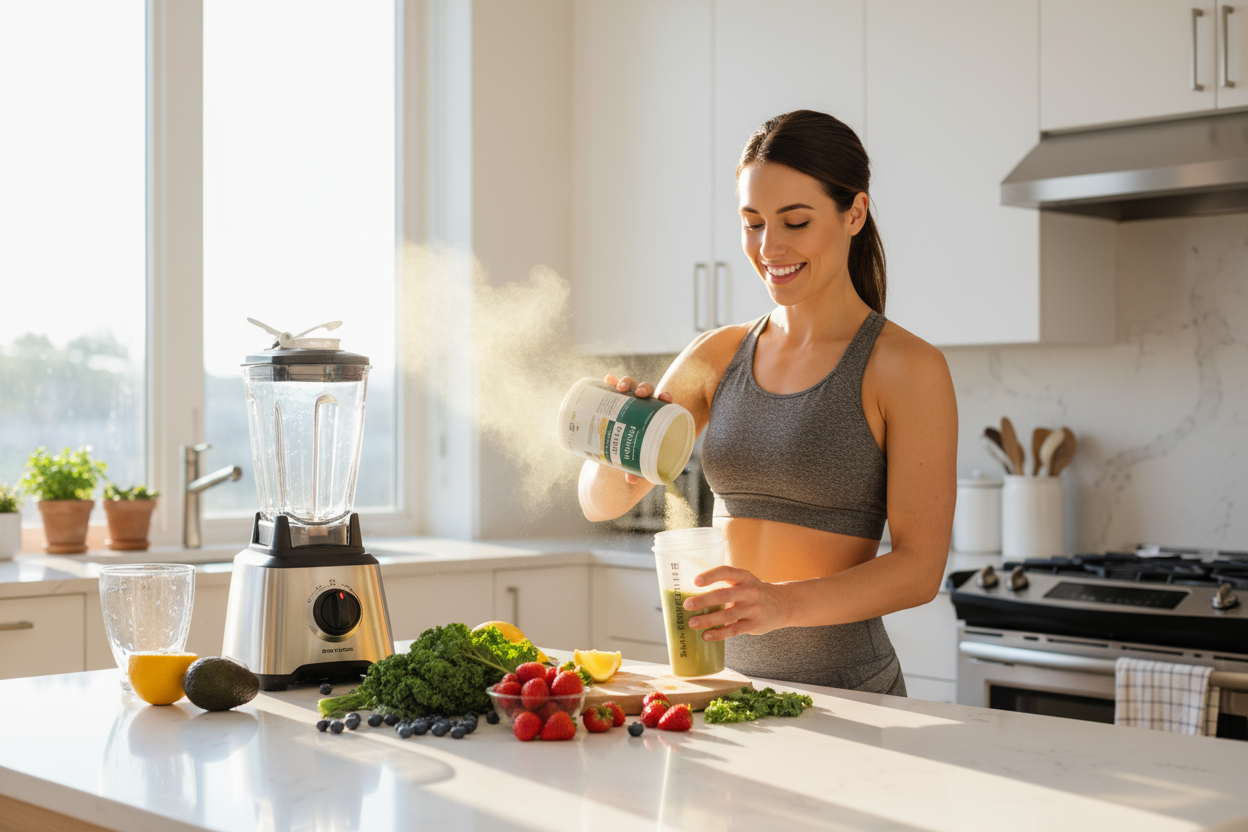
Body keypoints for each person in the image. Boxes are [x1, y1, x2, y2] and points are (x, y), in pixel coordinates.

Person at [577, 110, 957, 695]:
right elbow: (600, 504)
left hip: (848, 695)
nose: (768, 246)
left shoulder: (906, 367)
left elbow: (920, 569)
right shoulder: (719, 353)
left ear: (853, 213)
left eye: (795, 222)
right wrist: (617, 440)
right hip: (722, 690)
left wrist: (780, 604)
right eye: (752, 223)